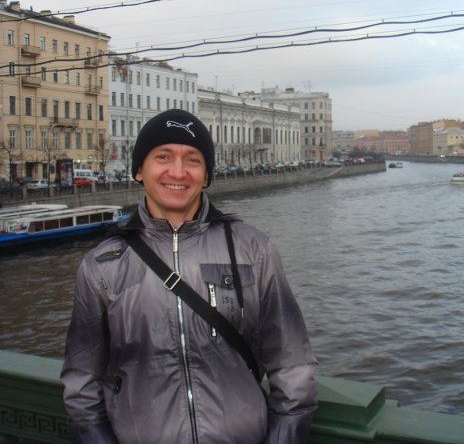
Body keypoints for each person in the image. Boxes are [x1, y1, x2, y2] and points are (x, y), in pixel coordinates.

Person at [61, 109, 318, 443]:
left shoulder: (253, 249)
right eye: (163, 157)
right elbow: (82, 382)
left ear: (206, 175)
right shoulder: (103, 264)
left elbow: (292, 364)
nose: (178, 172)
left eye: (193, 160)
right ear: (139, 169)